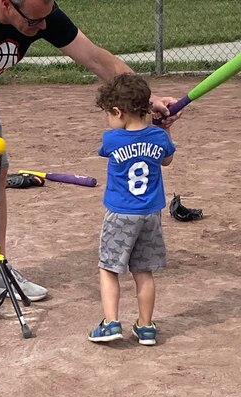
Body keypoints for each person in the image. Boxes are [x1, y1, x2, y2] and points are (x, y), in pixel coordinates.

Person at [0, 0, 179, 321]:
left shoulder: (39, 10)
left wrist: (145, 100)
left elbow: (97, 58)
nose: (42, 28)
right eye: (34, 22)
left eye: (46, 18)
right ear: (5, 4)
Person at [88, 73, 176, 344]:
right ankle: (146, 327)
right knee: (143, 271)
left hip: (120, 213)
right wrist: (164, 127)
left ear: (119, 111)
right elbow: (167, 159)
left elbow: (106, 149)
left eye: (110, 113)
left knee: (109, 268)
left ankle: (111, 322)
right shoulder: (159, 137)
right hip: (150, 214)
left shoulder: (112, 139)